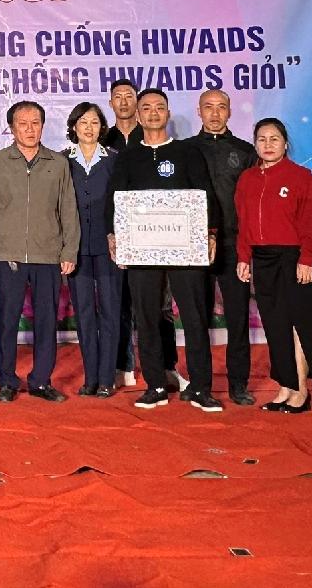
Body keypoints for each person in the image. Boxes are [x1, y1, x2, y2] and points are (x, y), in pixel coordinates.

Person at [106, 88, 223, 412]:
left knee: (194, 317)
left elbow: (206, 194)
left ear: (168, 113)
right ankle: (155, 385)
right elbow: (115, 200)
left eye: (159, 107)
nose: (153, 113)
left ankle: (200, 388)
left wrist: (211, 233)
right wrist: (113, 236)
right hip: (142, 249)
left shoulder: (187, 152)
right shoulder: (128, 157)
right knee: (147, 318)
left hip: (186, 248)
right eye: (146, 108)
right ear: (138, 115)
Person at [0, 101, 80, 403]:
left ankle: (41, 380)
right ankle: (6, 381)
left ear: (42, 126)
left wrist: (69, 250)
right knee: (6, 321)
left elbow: (68, 209)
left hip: (48, 254)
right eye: (22, 123)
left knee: (46, 321)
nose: (29, 129)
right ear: (12, 128)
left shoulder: (58, 163)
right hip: (6, 254)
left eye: (35, 123)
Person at [235, 118, 312, 413]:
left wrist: (306, 258)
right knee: (275, 325)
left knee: (300, 323)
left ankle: (301, 389)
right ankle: (285, 386)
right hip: (263, 260)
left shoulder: (301, 177)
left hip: (294, 257)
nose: (268, 144)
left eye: (274, 139)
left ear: (285, 144)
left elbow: (309, 222)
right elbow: (244, 223)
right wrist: (243, 257)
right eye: (262, 139)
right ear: (254, 144)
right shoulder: (247, 179)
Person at [102, 79, 180, 390]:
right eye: (117, 97)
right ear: (110, 103)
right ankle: (123, 365)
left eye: (129, 96)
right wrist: (111, 232)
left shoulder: (151, 137)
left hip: (156, 236)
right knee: (119, 303)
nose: (124, 102)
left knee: (161, 305)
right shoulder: (102, 138)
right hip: (121, 236)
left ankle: (167, 366)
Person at [185, 89, 258, 405]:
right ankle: (199, 384)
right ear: (198, 111)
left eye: (221, 107)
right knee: (195, 319)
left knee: (238, 318)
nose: (215, 114)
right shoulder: (185, 150)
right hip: (193, 247)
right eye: (208, 107)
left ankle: (238, 384)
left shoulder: (245, 152)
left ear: (229, 112)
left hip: (233, 246)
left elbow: (254, 202)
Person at [65, 103, 121, 398]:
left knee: (110, 311)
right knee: (84, 312)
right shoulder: (62, 160)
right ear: (74, 126)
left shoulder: (115, 159)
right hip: (76, 248)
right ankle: (91, 377)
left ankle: (107, 378)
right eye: (83, 122)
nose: (89, 128)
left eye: (95, 122)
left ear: (102, 127)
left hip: (109, 247)